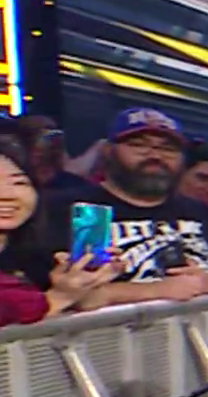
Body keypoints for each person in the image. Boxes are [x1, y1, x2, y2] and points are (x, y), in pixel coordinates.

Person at [44, 109, 208, 304]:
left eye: (168, 148)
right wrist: (155, 290)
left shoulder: (196, 211)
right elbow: (69, 296)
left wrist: (204, 283)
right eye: (139, 145)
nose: (155, 155)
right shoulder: (72, 208)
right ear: (108, 152)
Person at [0, 138, 120, 324]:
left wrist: (84, 284)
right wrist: (59, 297)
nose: (7, 195)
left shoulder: (33, 259)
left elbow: (86, 305)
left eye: (19, 183)